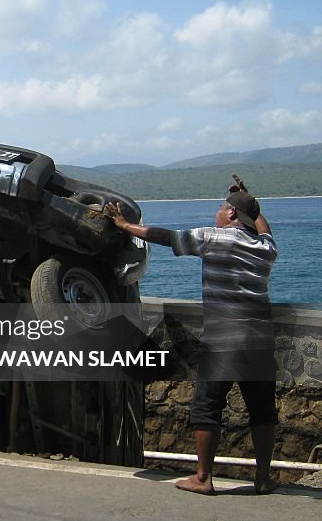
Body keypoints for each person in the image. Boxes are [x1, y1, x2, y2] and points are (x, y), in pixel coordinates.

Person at [107, 182, 279, 495]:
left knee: (206, 406)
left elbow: (165, 237)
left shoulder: (212, 238)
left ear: (230, 213)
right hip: (260, 341)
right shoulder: (265, 249)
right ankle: (264, 477)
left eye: (221, 207)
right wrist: (253, 205)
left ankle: (203, 478)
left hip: (224, 339)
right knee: (263, 410)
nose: (217, 213)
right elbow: (262, 227)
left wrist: (125, 225)